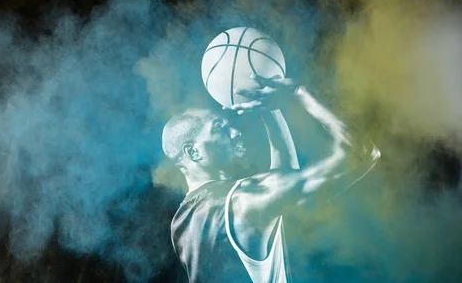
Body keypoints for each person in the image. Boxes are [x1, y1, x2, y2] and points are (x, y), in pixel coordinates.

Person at [162, 75, 381, 283]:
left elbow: (282, 175)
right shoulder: (242, 202)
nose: (235, 132)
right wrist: (301, 92)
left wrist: (269, 110)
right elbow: (360, 154)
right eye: (219, 128)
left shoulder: (181, 224)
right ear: (193, 152)